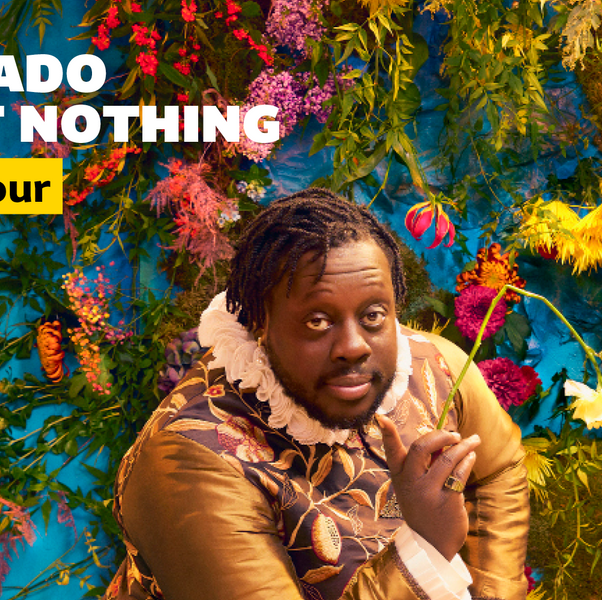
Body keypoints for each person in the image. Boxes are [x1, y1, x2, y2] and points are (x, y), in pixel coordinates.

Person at [103, 188, 529, 600]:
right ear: (258, 322)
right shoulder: (190, 462)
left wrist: (492, 591)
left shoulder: (434, 365)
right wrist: (426, 551)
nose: (354, 347)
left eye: (373, 315)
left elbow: (499, 468)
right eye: (317, 321)